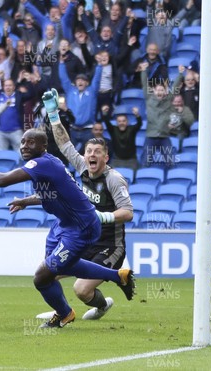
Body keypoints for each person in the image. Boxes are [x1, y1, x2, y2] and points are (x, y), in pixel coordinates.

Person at [0, 125, 135, 329]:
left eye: (31, 142)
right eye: (22, 142)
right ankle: (117, 276)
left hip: (80, 228)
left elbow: (3, 180)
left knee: (42, 277)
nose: (24, 146)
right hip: (63, 224)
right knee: (57, 269)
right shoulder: (48, 164)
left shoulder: (42, 164)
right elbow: (53, 194)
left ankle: (64, 314)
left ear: (44, 146)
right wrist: (25, 201)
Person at [44, 88, 134, 320]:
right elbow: (64, 144)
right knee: (47, 273)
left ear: (106, 157)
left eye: (97, 152)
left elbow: (128, 213)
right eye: (89, 151)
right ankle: (62, 311)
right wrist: (54, 114)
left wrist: (104, 217)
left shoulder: (114, 179)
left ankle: (103, 306)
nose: (92, 155)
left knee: (81, 289)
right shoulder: (83, 167)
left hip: (109, 245)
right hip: (84, 239)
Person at [102, 105, 142, 171]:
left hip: (131, 160)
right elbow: (106, 122)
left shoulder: (132, 129)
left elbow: (139, 124)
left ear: (127, 122)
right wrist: (104, 113)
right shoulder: (113, 130)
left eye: (123, 121)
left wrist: (137, 115)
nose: (121, 123)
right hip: (117, 160)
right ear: (117, 123)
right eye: (119, 121)